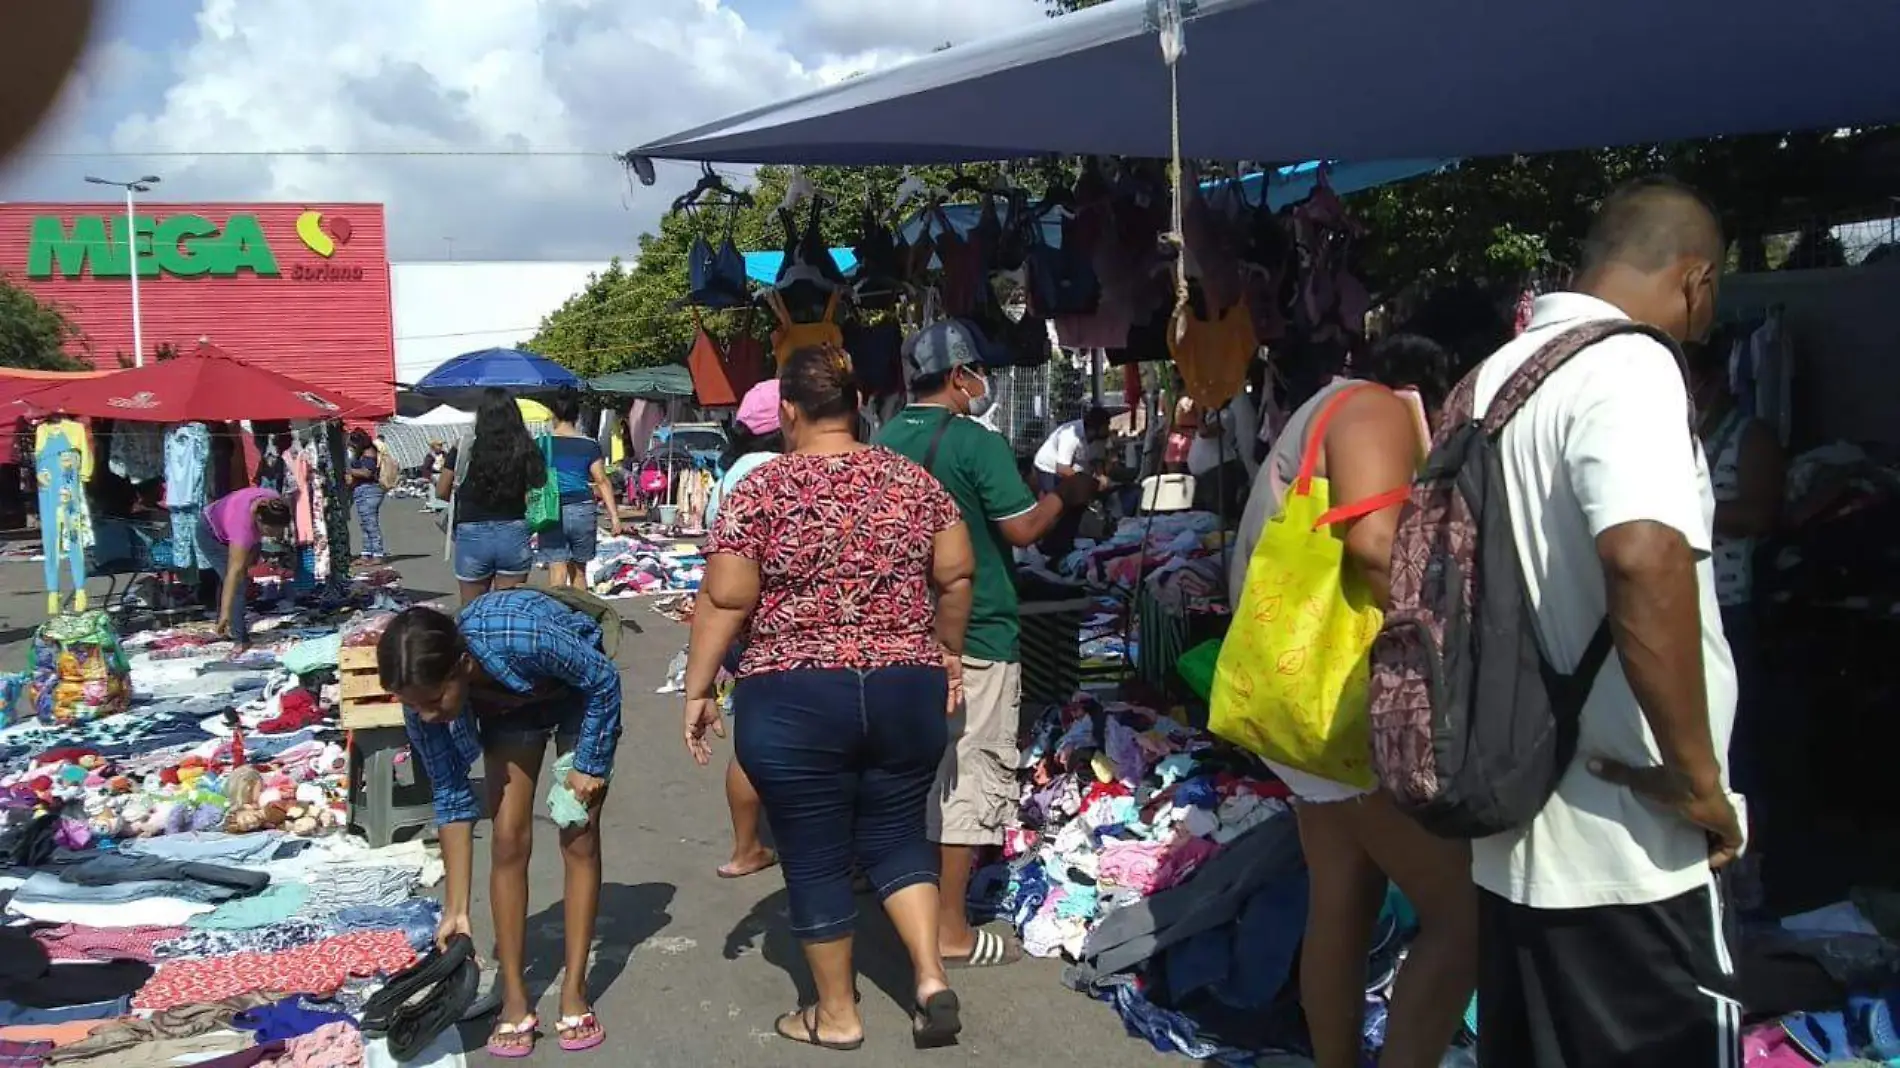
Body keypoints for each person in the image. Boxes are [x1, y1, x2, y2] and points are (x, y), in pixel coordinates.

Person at [1469, 176, 1743, 1067]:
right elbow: (1642, 554)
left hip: (1509, 809)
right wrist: (1699, 778)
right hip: (1626, 839)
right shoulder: (1631, 365)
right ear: (1696, 280)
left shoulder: (1497, 374)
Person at [681, 346, 977, 1051]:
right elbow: (957, 574)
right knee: (897, 831)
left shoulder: (760, 491)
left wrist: (699, 689)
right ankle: (930, 978)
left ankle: (836, 1014)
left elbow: (727, 596)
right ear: (855, 405)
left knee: (812, 852)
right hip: (907, 683)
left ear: (788, 411)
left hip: (794, 691)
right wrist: (947, 652)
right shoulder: (912, 482)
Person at [1228, 334, 1470, 1068]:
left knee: (1342, 897)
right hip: (1344, 700)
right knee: (1468, 919)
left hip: (1300, 701)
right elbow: (1374, 549)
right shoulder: (1374, 411)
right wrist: (1451, 637)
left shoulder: (1322, 409)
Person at [875, 319, 1096, 967]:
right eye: (976, 371)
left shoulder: (883, 439)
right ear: (955, 377)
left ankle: (892, 884)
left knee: (910, 769)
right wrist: (1067, 495)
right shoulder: (976, 443)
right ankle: (949, 927)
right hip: (978, 632)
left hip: (901, 632)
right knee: (969, 774)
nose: (983, 383)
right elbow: (1024, 529)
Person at [380, 589, 622, 1057]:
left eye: (433, 700)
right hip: (508, 708)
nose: (427, 715)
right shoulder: (422, 703)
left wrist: (589, 764)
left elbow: (603, 681)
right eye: (416, 706)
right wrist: (455, 909)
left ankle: (574, 989)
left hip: (578, 695)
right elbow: (451, 798)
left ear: (461, 665)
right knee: (509, 839)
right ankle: (514, 997)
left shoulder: (521, 636)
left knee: (578, 833)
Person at [1685, 331, 1783, 829]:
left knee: (1736, 733)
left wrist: (1687, 509)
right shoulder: (1678, 437)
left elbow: (1760, 514)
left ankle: (1750, 845)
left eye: (1695, 382)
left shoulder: (1752, 436)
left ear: (1718, 381)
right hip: (1686, 603)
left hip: (1732, 604)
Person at [705, 378, 784, 880]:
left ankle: (746, 848)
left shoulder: (727, 477)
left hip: (740, 630)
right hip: (788, 627)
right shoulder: (786, 473)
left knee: (751, 742)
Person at [436, 388, 547, 603]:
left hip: (472, 533)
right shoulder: (527, 448)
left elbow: (441, 491)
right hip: (514, 531)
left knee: (471, 610)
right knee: (509, 610)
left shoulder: (464, 447)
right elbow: (538, 485)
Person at [537, 387, 621, 589]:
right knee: (580, 571)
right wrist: (615, 517)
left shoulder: (540, 443)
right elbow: (602, 480)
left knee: (557, 569)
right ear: (576, 416)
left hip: (551, 509)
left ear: (553, 416)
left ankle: (557, 618)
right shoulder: (589, 445)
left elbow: (532, 480)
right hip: (582, 508)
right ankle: (581, 616)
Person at [199, 486, 291, 646]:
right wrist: (225, 613)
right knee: (238, 580)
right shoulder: (243, 528)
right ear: (259, 521)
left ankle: (227, 622)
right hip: (209, 531)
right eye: (272, 531)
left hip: (229, 520)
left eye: (280, 531)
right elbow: (234, 573)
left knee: (236, 574)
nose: (276, 535)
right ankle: (239, 639)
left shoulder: (274, 504)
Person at [345, 430, 388, 566]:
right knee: (365, 524)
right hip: (363, 490)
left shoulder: (369, 453)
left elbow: (367, 473)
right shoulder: (366, 452)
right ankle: (366, 553)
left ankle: (377, 553)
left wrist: (348, 471)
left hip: (370, 490)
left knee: (370, 523)